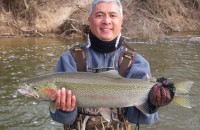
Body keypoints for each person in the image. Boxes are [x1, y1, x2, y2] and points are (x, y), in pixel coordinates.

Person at [50, 0, 174, 129]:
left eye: (113, 15)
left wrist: (152, 103)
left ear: (121, 22)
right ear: (89, 20)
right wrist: (65, 109)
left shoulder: (137, 63)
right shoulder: (70, 59)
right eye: (99, 15)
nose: (106, 21)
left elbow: (139, 119)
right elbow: (63, 119)